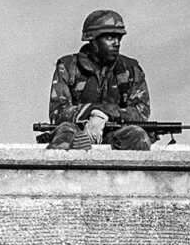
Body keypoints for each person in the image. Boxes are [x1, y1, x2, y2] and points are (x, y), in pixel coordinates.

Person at [46, 10, 152, 151]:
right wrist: (93, 111)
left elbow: (141, 112)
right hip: (78, 131)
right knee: (66, 134)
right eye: (109, 37)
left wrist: (108, 114)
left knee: (138, 136)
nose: (116, 43)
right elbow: (58, 112)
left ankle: (125, 173)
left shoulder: (131, 69)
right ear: (93, 40)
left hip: (116, 133)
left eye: (119, 38)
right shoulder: (68, 67)